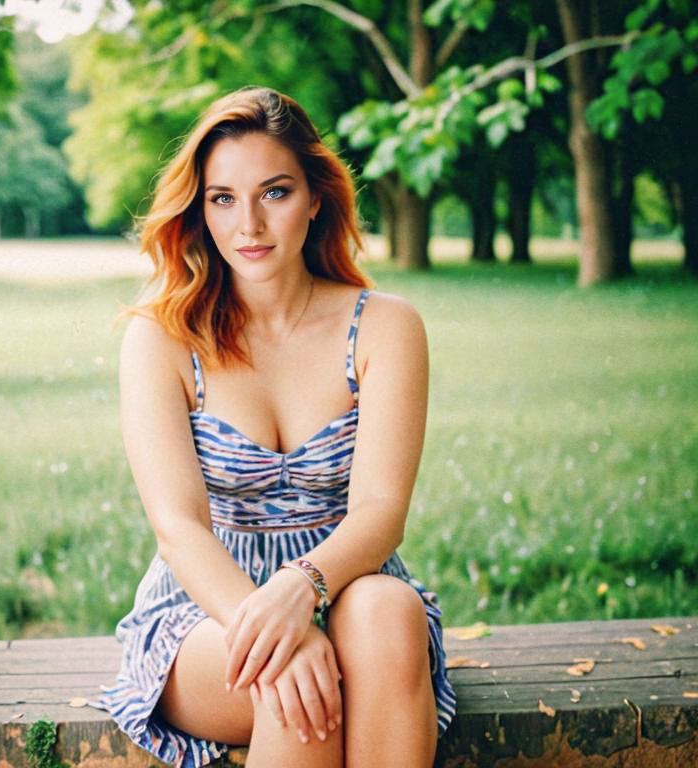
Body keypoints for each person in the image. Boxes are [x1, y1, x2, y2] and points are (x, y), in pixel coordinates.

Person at [95, 86, 456, 767]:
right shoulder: (161, 336)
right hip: (205, 612)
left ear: (316, 197)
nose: (249, 225)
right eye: (223, 198)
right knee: (287, 682)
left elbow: (382, 511)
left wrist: (302, 589)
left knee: (387, 612)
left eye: (275, 192)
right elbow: (179, 529)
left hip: (347, 586)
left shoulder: (383, 326)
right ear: (199, 208)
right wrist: (272, 626)